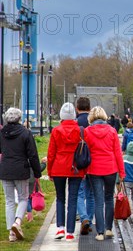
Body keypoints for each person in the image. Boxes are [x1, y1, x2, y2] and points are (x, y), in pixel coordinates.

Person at [0, 108, 42, 242]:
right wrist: (37, 172)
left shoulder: (2, 133)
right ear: (19, 118)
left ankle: (11, 234)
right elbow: (33, 155)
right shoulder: (26, 133)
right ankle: (17, 222)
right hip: (21, 170)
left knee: (9, 200)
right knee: (23, 198)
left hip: (5, 170)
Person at [84, 106, 125, 241]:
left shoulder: (87, 132)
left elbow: (85, 153)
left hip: (94, 169)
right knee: (109, 198)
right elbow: (118, 153)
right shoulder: (112, 131)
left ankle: (100, 232)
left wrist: (84, 171)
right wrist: (122, 172)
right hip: (110, 169)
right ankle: (109, 229)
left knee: (98, 200)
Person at [47, 102, 86, 242]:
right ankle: (70, 232)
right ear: (74, 116)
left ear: (62, 116)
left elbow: (51, 153)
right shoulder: (81, 131)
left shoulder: (56, 131)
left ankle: (60, 228)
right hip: (75, 168)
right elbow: (85, 152)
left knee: (60, 198)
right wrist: (84, 171)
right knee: (73, 199)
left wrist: (50, 171)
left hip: (58, 167)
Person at [75, 97, 94, 236]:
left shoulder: (75, 124)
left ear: (77, 108)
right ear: (89, 108)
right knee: (91, 195)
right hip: (92, 164)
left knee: (79, 193)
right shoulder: (93, 123)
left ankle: (84, 218)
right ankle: (90, 221)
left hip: (79, 163)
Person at [26, 156, 47, 222]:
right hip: (34, 183)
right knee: (32, 198)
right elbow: (39, 168)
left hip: (25, 181)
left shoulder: (21, 160)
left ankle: (29, 215)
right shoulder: (32, 159)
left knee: (27, 199)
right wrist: (43, 163)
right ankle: (34, 212)